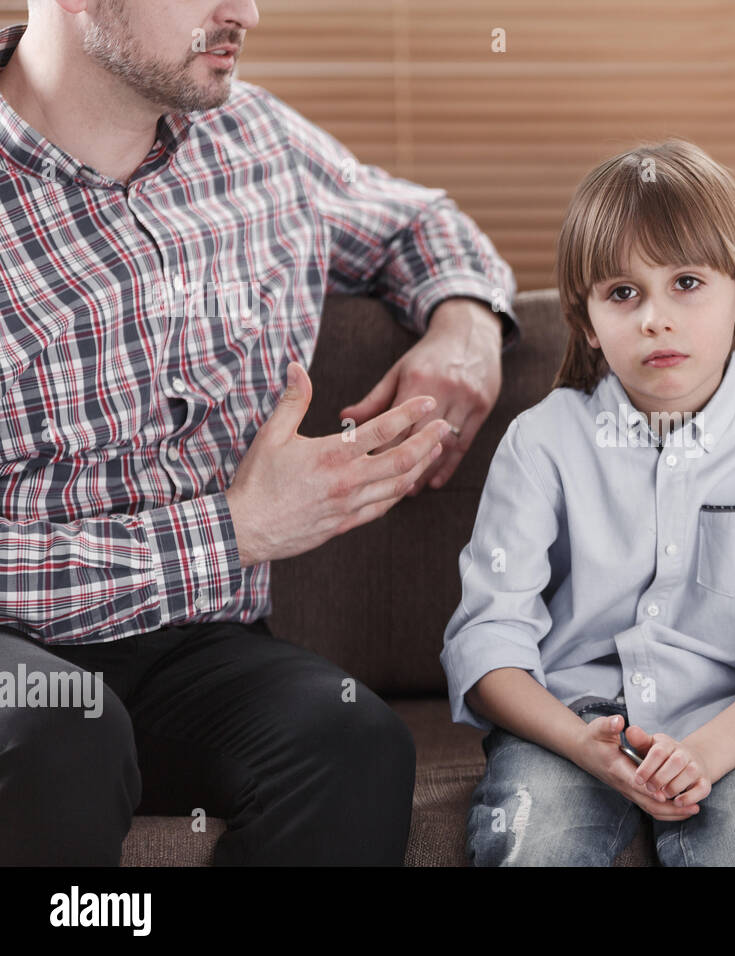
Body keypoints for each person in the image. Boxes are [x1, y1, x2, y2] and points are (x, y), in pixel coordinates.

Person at [0, 0, 518, 864]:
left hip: (191, 649)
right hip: (17, 656)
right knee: (61, 735)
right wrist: (231, 531)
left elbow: (416, 224)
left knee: (353, 744)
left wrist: (465, 328)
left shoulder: (257, 143)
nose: (245, 12)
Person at [440, 139, 735, 866]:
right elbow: (488, 637)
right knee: (533, 849)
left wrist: (704, 752)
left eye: (686, 283)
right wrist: (578, 742)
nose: (654, 319)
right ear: (588, 320)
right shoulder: (541, 442)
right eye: (623, 293)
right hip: (569, 724)